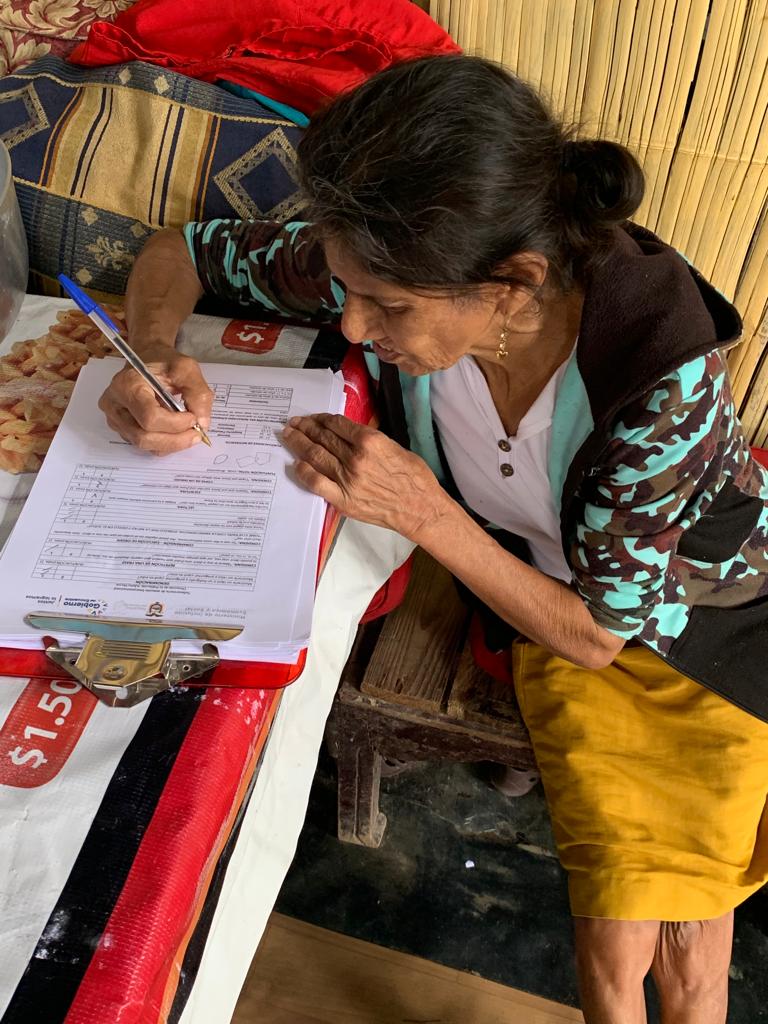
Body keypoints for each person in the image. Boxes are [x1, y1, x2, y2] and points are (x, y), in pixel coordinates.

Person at [98, 55, 768, 1024]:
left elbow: (598, 634)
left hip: (709, 620)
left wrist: (423, 512)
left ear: (512, 283)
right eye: (346, 289)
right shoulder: (397, 261)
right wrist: (154, 353)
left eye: (389, 308)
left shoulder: (656, 377)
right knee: (617, 946)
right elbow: (178, 254)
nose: (354, 325)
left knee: (692, 953)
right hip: (541, 600)